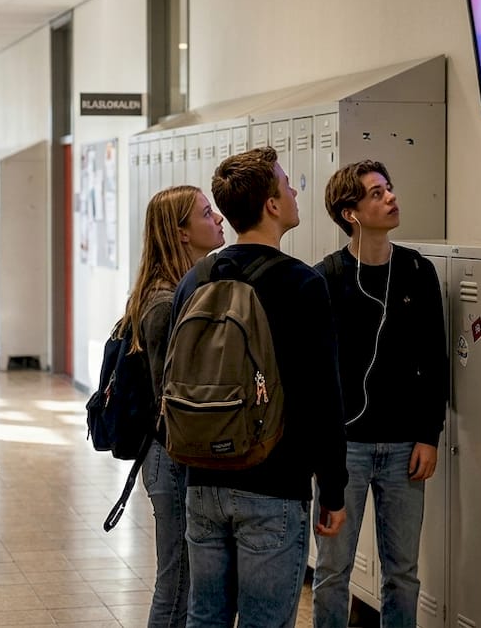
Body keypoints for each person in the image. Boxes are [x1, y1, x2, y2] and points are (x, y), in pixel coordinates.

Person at [169, 147, 347, 627]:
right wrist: (333, 489)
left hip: (202, 482)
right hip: (275, 485)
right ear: (271, 205)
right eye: (286, 184)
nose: (292, 191)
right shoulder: (302, 284)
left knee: (203, 619)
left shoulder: (194, 280)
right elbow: (322, 400)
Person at [311, 160, 450, 628]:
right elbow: (316, 374)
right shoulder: (326, 278)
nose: (390, 198)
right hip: (343, 451)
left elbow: (435, 361)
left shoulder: (417, 271)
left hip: (405, 449)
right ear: (350, 212)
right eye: (376, 193)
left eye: (389, 189)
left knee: (403, 574)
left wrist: (429, 436)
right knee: (332, 571)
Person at [115, 185, 226, 627]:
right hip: (170, 456)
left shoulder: (181, 287)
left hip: (170, 455)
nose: (217, 218)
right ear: (182, 234)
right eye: (205, 213)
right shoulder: (165, 302)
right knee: (177, 579)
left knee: (184, 578)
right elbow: (172, 401)